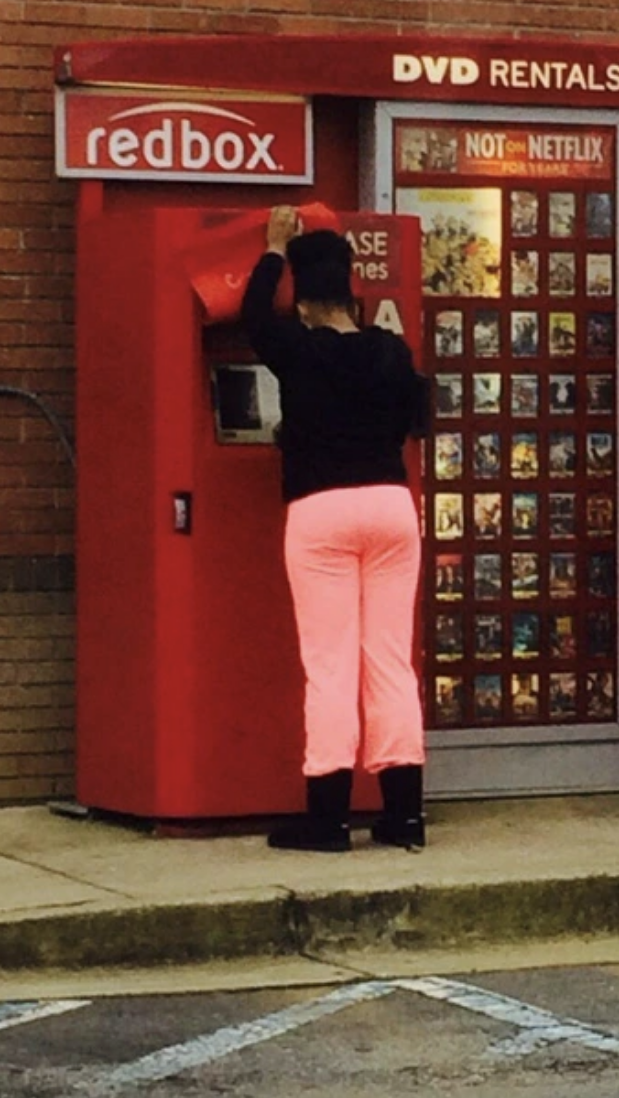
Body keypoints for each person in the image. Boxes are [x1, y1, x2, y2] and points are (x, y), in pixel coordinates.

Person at [241, 206, 430, 852]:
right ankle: (404, 814)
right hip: (390, 507)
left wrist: (271, 250)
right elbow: (415, 419)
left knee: (328, 665)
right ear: (353, 289)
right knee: (389, 661)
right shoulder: (389, 349)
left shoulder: (297, 345)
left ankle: (327, 818)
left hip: (321, 510)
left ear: (302, 298)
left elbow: (250, 319)